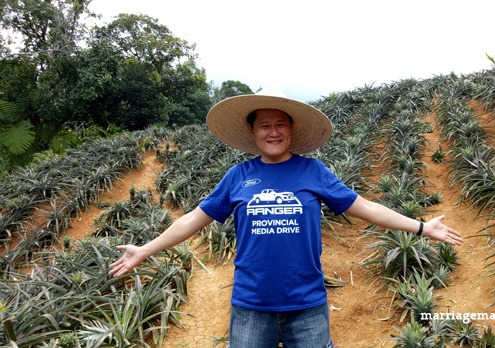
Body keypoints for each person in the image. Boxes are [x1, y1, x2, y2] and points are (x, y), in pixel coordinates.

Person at [109, 89, 464, 348]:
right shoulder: (237, 177)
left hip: (306, 305)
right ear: (252, 132)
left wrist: (421, 226)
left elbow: (365, 207)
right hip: (251, 305)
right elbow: (193, 219)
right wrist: (144, 249)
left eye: (281, 124)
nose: (273, 132)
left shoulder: (314, 172)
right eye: (265, 125)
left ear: (292, 130)